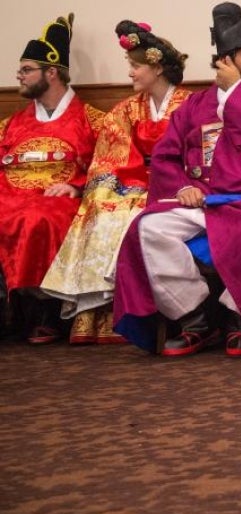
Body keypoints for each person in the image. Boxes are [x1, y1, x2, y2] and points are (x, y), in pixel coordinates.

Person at [112, 2, 241, 356]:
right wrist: (183, 186)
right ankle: (195, 315)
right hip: (201, 200)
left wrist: (234, 94)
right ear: (226, 61)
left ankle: (239, 317)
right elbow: (167, 155)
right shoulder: (195, 106)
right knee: (147, 229)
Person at [40, 20, 190, 344]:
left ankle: (134, 311)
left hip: (177, 182)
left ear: (157, 67)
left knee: (132, 211)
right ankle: (96, 311)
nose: (131, 73)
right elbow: (111, 157)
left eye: (135, 66)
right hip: (136, 180)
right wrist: (113, 187)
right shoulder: (125, 109)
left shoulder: (191, 106)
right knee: (101, 205)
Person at [0, 14, 103, 342]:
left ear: (52, 72)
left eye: (27, 69)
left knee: (39, 217)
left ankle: (46, 309)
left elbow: (110, 163)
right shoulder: (11, 125)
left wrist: (76, 185)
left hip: (57, 198)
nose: (20, 75)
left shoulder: (91, 120)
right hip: (9, 195)